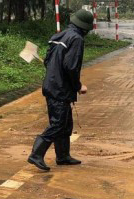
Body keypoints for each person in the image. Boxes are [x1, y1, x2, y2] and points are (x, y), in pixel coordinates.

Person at [28, 9, 94, 171]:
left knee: (65, 123)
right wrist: (78, 86)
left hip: (51, 85)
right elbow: (70, 66)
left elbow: (48, 62)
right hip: (60, 89)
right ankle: (36, 154)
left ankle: (63, 156)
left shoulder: (58, 36)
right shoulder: (76, 39)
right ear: (85, 28)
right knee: (58, 124)